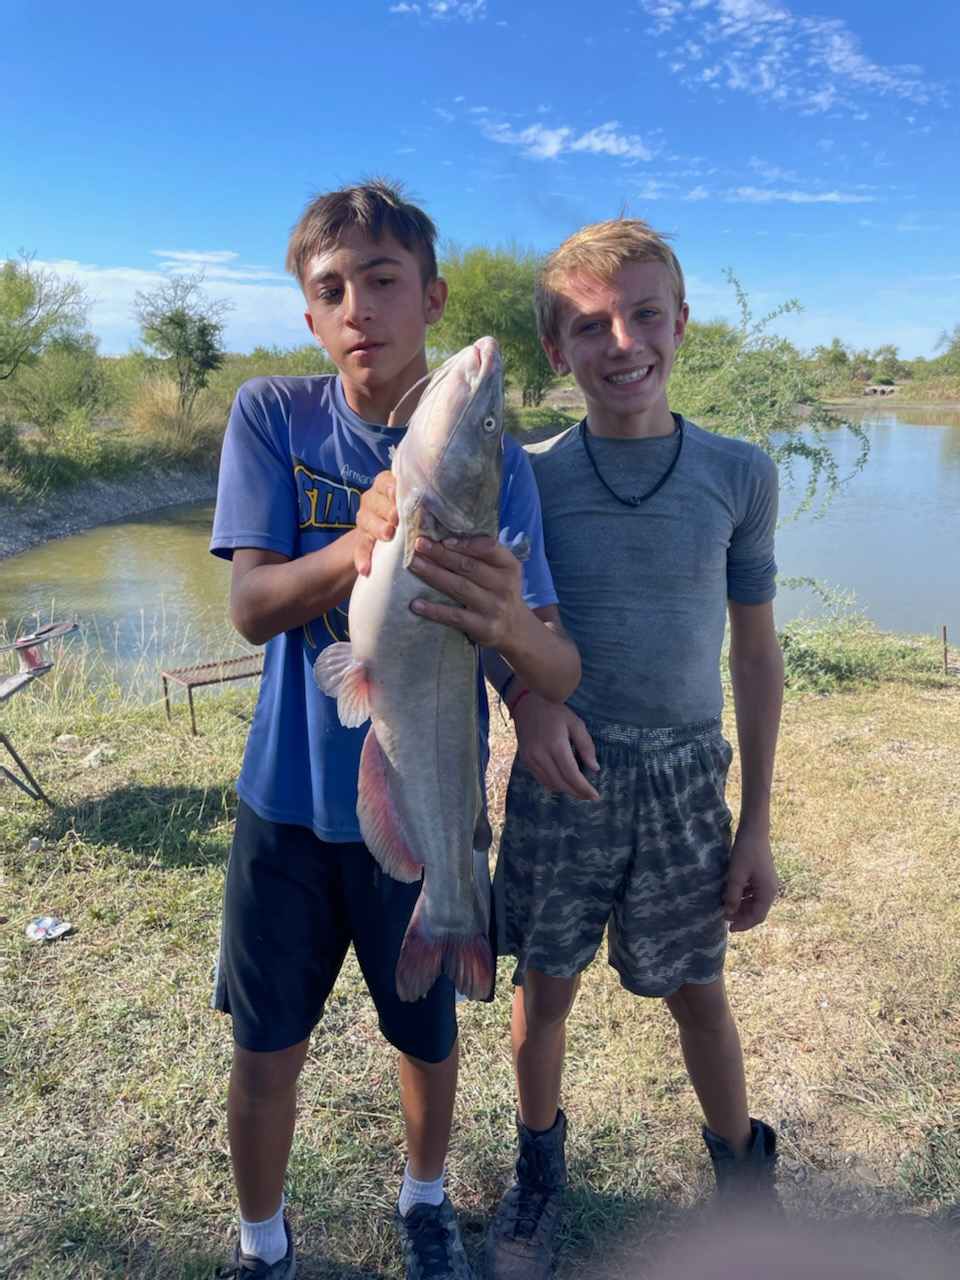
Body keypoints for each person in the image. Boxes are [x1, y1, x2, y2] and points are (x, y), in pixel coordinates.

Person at [209, 179, 580, 1280]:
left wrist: (509, 617)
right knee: (265, 1044)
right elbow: (253, 604)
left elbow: (553, 665)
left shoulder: (497, 467)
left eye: (383, 279)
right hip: (286, 806)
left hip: (428, 806)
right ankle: (262, 1242)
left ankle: (427, 1204)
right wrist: (357, 541)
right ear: (313, 318)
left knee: (425, 1031)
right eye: (334, 289)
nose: (360, 304)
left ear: (431, 295)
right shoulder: (272, 417)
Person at [481, 218, 785, 1280]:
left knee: (700, 990)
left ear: (681, 324)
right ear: (556, 351)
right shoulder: (525, 478)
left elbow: (754, 652)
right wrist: (525, 697)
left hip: (686, 778)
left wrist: (755, 823)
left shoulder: (741, 474)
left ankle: (746, 1175)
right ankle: (538, 1170)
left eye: (643, 314)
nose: (621, 343)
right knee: (543, 988)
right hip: (565, 775)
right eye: (587, 325)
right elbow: (488, 614)